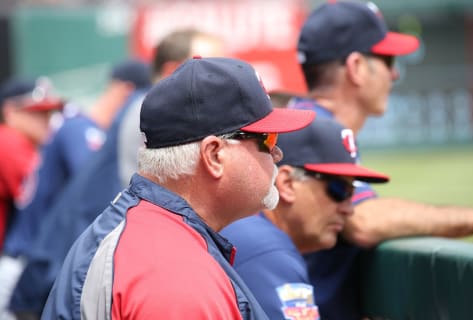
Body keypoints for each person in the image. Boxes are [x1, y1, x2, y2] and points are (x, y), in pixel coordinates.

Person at [41, 57, 315, 319]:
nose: (278, 153)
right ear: (215, 155)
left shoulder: (150, 231)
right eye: (267, 139)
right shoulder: (174, 273)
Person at [6, 29, 226, 320]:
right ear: (173, 70)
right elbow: (135, 210)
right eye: (210, 67)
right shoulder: (143, 112)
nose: (223, 76)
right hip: (56, 274)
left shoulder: (142, 113)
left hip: (64, 270)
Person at [288, 2, 473, 319]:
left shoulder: (305, 121)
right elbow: (363, 222)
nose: (394, 73)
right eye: (387, 59)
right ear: (356, 67)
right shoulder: (315, 130)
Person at [221, 117, 389, 319]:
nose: (348, 209)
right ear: (287, 184)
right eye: (339, 190)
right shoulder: (268, 251)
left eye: (352, 192)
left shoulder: (243, 227)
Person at [0, 77, 64, 250]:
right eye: (36, 113)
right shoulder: (7, 140)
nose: (46, 120)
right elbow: (42, 196)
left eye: (48, 113)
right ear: (10, 111)